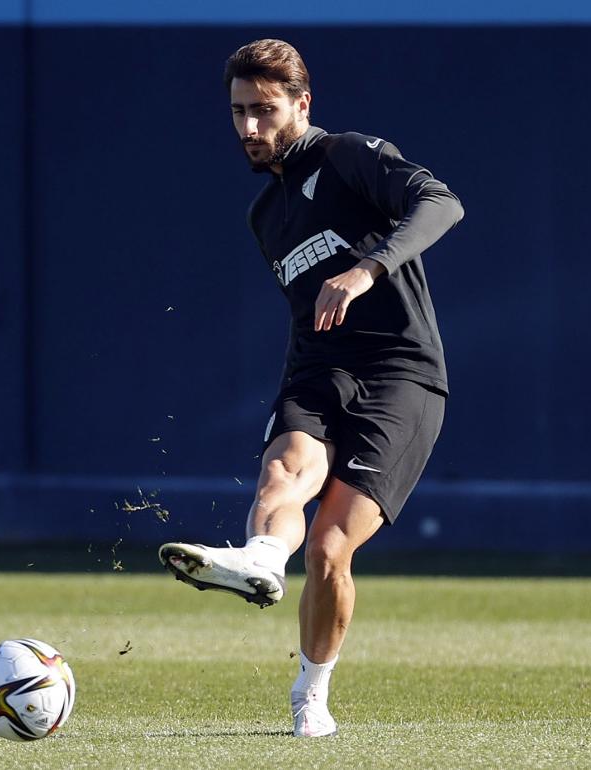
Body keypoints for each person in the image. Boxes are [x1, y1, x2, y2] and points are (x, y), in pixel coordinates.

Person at [159, 39, 463, 738]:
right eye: (238, 112)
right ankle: (261, 562)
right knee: (285, 473)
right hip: (319, 370)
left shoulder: (347, 157)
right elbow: (306, 316)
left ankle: (311, 694)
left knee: (329, 549)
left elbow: (442, 203)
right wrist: (293, 398)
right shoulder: (265, 218)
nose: (249, 129)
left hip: (403, 374)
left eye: (264, 111)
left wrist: (367, 271)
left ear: (302, 104)